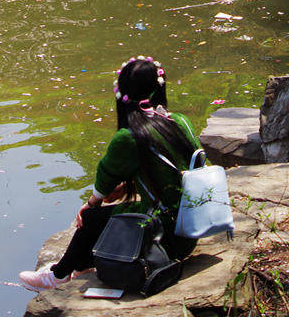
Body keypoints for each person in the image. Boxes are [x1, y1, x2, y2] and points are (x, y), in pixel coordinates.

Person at [19, 56, 200, 291]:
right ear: (160, 87)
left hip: (164, 237)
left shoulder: (129, 136)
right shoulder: (179, 121)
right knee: (104, 215)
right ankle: (81, 266)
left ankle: (59, 275)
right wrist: (125, 188)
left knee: (92, 218)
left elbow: (105, 179)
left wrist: (90, 203)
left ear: (123, 94)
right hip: (191, 229)